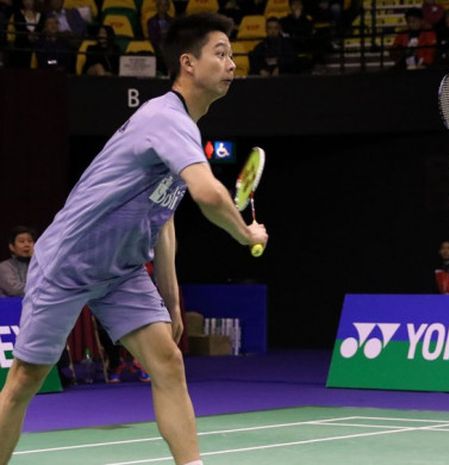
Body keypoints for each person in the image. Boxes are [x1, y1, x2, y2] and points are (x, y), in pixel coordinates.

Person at [0, 12, 268, 465]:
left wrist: (172, 299)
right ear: (188, 63)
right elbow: (206, 193)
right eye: (220, 54)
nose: (232, 64)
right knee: (25, 379)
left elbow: (162, 218)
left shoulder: (184, 128)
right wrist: (245, 232)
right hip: (70, 259)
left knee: (168, 361)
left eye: (232, 55)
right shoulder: (165, 118)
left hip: (121, 271)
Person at [0, 226, 35, 297]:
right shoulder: (4, 266)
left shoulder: (39, 265)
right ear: (12, 247)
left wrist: (35, 259)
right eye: (22, 241)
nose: (27, 245)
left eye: (30, 241)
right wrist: (41, 290)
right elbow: (14, 290)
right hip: (11, 305)